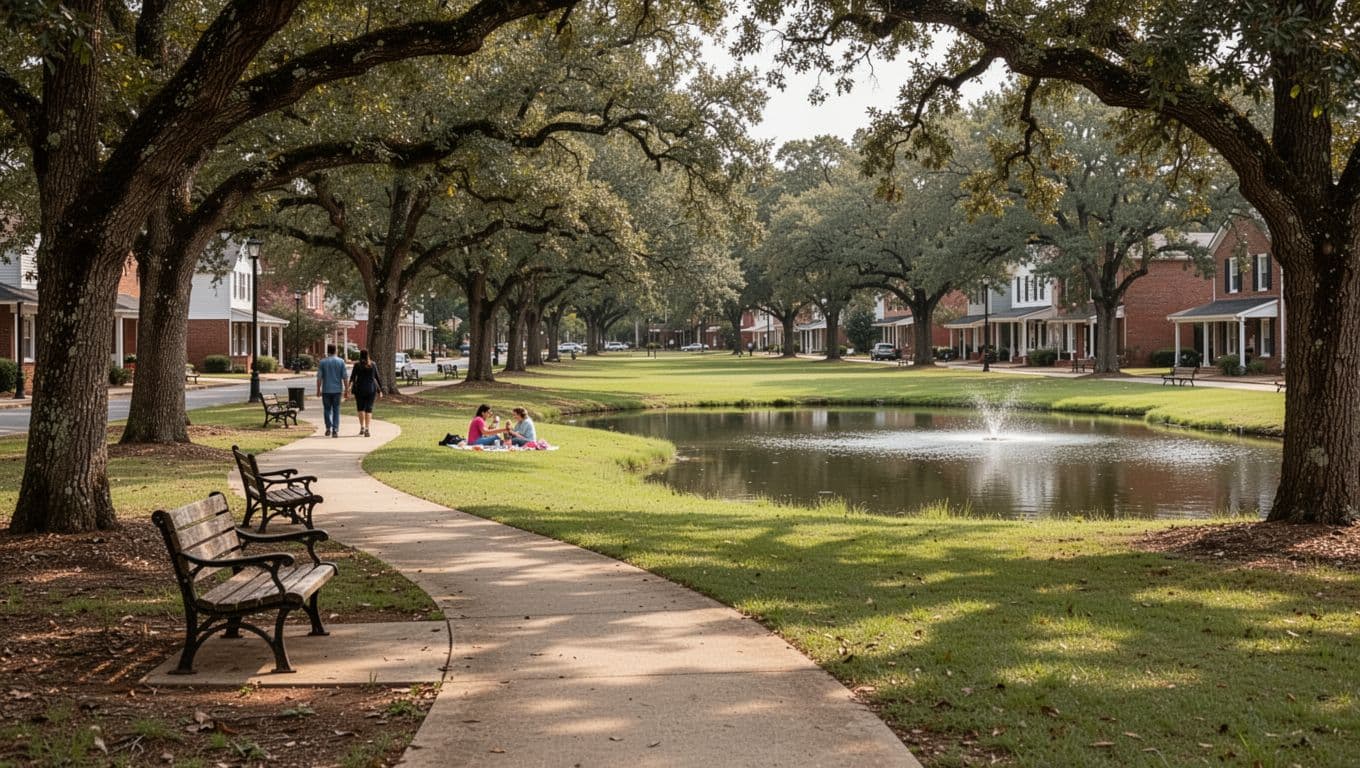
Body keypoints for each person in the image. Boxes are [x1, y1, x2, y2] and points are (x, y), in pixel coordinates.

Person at [346, 349, 384, 437]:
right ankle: (367, 428)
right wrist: (380, 390)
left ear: (360, 355)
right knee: (369, 409)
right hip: (371, 389)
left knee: (360, 408)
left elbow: (352, 377)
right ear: (368, 355)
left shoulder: (357, 365)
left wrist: (348, 388)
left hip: (359, 389)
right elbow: (377, 378)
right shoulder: (373, 364)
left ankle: (362, 427)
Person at [315, 343, 347, 438]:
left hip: (326, 390)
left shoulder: (322, 362)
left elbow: (319, 378)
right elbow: (344, 377)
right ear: (335, 350)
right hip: (337, 390)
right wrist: (346, 390)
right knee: (336, 410)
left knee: (327, 409)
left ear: (327, 351)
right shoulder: (341, 362)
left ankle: (328, 427)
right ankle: (335, 429)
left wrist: (318, 389)